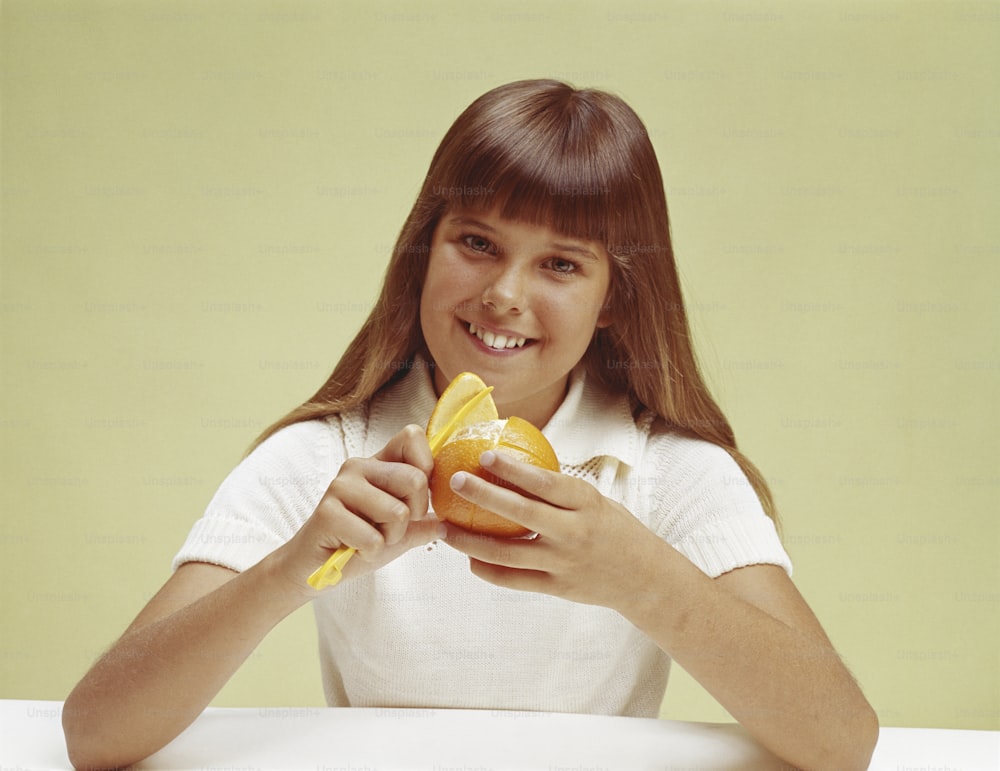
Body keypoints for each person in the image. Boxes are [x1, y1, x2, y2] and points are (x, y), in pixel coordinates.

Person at [63, 79, 878, 769]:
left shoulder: (671, 473)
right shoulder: (331, 458)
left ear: (614, 298)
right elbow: (96, 732)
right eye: (477, 242)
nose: (505, 294)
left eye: (561, 262)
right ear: (425, 249)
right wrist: (286, 571)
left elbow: (841, 740)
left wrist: (645, 577)